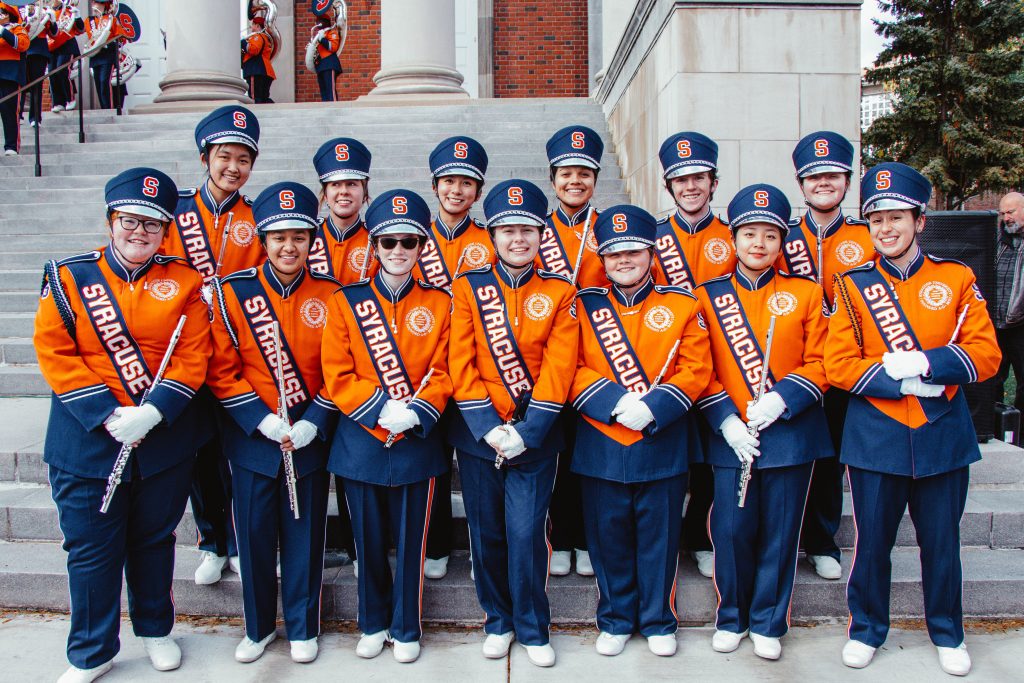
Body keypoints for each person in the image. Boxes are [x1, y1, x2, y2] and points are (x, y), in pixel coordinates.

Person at [34, 167, 211, 683]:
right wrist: (109, 414)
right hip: (87, 439)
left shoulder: (184, 281)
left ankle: (156, 629)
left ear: (165, 232)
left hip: (163, 438)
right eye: (130, 221)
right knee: (90, 548)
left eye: (153, 225)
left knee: (155, 540)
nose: (140, 233)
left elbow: (193, 354)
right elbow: (55, 351)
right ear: (111, 220)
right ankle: (91, 651)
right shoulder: (70, 277)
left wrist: (153, 411)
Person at [825, 162, 1001, 676]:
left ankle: (947, 631)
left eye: (896, 217)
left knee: (942, 543)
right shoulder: (853, 286)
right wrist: (895, 378)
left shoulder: (956, 277)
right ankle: (866, 629)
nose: (886, 228)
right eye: (876, 219)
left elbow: (985, 354)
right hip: (876, 435)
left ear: (920, 221)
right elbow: (838, 364)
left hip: (941, 433)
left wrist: (928, 362)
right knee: (872, 545)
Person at [694, 184, 832, 661]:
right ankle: (731, 616)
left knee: (781, 529)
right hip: (732, 436)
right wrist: (726, 420)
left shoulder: (806, 293)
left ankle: (770, 621)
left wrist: (782, 398)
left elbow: (821, 362)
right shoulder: (708, 296)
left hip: (791, 432)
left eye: (769, 235)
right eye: (749, 234)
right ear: (733, 239)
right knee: (731, 530)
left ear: (781, 242)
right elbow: (699, 368)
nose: (759, 244)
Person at [207, 181, 339, 665]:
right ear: (263, 240)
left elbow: (341, 369)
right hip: (253, 440)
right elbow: (221, 369)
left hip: (306, 434)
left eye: (300, 237)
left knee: (305, 538)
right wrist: (260, 420)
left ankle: (304, 627)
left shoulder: (332, 294)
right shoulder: (233, 293)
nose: (289, 246)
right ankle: (259, 627)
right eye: (279, 237)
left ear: (312, 240)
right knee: (255, 537)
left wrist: (315, 420)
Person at [571, 205, 711, 658]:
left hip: (661, 439)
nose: (624, 261)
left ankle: (657, 619)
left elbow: (696, 369)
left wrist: (652, 407)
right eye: (614, 254)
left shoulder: (683, 305)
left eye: (633, 251)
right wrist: (614, 403)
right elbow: (567, 367)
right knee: (607, 537)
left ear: (651, 253)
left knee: (660, 537)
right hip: (602, 439)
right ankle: (614, 618)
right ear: (603, 259)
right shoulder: (583, 305)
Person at [449, 179, 579, 667]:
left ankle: (532, 624)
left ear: (542, 234)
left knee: (526, 531)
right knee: (486, 531)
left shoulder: (560, 292)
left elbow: (560, 365)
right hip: (481, 435)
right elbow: (460, 361)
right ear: (492, 234)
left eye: (527, 229)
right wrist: (488, 426)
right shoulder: (468, 289)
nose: (517, 239)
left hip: (534, 435)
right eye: (507, 230)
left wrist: (526, 431)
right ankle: (498, 620)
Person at [321, 189, 453, 664]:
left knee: (413, 543)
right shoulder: (345, 301)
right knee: (368, 542)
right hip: (361, 442)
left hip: (418, 442)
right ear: (374, 247)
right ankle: (372, 622)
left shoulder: (442, 303)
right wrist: (379, 409)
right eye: (389, 242)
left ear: (422, 249)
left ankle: (407, 625)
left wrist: (416, 410)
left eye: (409, 243)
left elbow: (446, 367)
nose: (399, 251)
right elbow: (336, 371)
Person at [163, 104, 265, 587]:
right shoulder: (174, 212)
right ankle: (211, 541)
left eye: (243, 159)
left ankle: (243, 540)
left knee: (236, 449)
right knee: (199, 452)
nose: (233, 168)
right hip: (183, 352)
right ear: (205, 157)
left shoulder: (257, 215)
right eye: (225, 156)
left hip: (238, 355)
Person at [783, 131, 873, 581]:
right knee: (793, 453)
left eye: (833, 175)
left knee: (832, 457)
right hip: (795, 368)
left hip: (847, 367)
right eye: (814, 176)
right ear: (801, 184)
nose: (824, 183)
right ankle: (786, 536)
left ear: (847, 181)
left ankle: (821, 541)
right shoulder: (782, 237)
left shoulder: (866, 235)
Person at [653, 131, 736, 580]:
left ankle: (702, 536)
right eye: (680, 179)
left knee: (710, 458)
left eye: (698, 178)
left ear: (713, 182)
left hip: (723, 363)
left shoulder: (733, 235)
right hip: (667, 366)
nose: (690, 186)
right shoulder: (653, 238)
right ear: (669, 187)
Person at [416, 135, 493, 580]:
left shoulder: (491, 238)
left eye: (466, 183)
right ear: (435, 185)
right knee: (433, 463)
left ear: (478, 192)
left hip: (473, 370)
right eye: (448, 181)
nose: (456, 190)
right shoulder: (410, 237)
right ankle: (436, 543)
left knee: (470, 457)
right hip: (422, 368)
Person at [543, 124, 605, 577]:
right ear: (553, 179)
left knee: (587, 457)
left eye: (584, 172)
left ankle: (585, 539)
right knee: (554, 454)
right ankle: (558, 537)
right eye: (566, 172)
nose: (575, 181)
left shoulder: (612, 227)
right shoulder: (533, 230)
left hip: (599, 360)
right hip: (545, 360)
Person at [310, 135, 373, 569]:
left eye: (353, 184)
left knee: (353, 467)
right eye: (335, 185)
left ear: (365, 191)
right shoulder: (299, 237)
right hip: (307, 373)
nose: (344, 192)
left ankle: (357, 548)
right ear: (323, 193)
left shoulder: (384, 240)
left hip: (358, 374)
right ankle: (311, 546)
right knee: (313, 467)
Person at [994, 191, 1024, 413]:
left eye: (1011, 212)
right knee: (992, 378)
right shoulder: (997, 241)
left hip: (1021, 325)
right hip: (995, 323)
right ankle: (995, 425)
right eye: (1002, 213)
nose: (1006, 218)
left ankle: (1020, 436)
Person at [86, 0, 129, 110]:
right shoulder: (90, 20)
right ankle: (104, 109)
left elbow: (120, 37)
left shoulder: (112, 19)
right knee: (98, 84)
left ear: (104, 5)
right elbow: (90, 35)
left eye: (97, 3)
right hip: (95, 55)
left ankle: (109, 109)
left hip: (108, 54)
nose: (94, 5)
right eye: (93, 3)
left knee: (104, 81)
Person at [46, 0, 85, 113]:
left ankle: (70, 99)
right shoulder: (47, 13)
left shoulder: (69, 10)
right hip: (52, 46)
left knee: (62, 70)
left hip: (67, 45)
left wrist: (77, 16)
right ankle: (58, 102)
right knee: (52, 73)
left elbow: (81, 29)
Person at [0, 2, 28, 156]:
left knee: (9, 111)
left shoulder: (18, 28)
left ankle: (11, 146)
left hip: (10, 74)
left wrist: (4, 32)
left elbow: (22, 45)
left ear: (7, 15)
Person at [19, 3, 52, 128]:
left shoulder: (43, 11)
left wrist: (52, 21)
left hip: (38, 50)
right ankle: (19, 114)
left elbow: (53, 33)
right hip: (22, 50)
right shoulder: (19, 9)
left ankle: (35, 117)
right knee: (20, 83)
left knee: (36, 85)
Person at [309, 0, 342, 102]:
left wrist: (322, 39)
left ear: (325, 22)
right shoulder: (319, 35)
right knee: (323, 92)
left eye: (319, 22)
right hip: (321, 65)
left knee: (330, 91)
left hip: (329, 63)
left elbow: (333, 47)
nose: (317, 24)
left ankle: (335, 109)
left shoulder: (332, 32)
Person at [242, 14, 275, 104]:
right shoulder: (263, 37)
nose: (251, 27)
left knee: (255, 98)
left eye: (253, 24)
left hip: (256, 70)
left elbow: (254, 50)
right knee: (263, 98)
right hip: (264, 70)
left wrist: (243, 43)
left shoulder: (257, 36)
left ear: (257, 26)